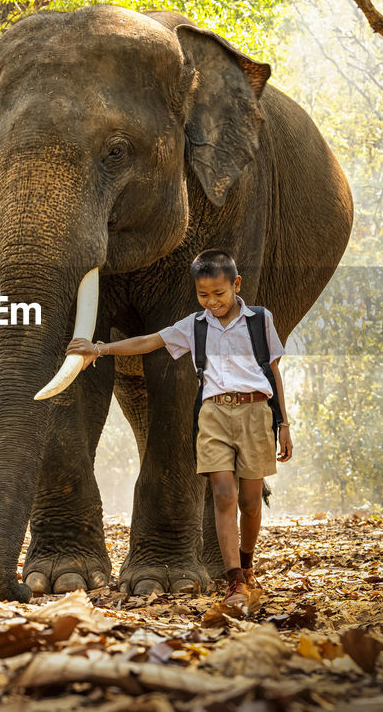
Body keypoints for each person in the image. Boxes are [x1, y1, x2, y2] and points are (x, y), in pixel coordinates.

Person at [66, 249, 293, 604]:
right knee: (223, 495)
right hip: (213, 415)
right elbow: (150, 341)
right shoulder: (195, 326)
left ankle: (246, 565)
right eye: (204, 295)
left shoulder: (260, 320)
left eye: (219, 294)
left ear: (236, 285)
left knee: (250, 503)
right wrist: (100, 348)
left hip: (256, 413)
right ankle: (236, 582)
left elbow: (273, 371)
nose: (212, 302)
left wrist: (284, 423)